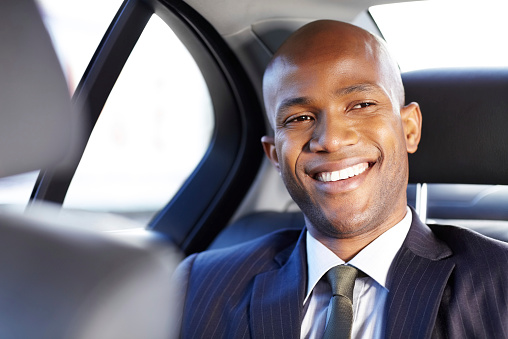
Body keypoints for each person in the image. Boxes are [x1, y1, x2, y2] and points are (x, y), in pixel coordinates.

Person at [173, 20, 508, 338]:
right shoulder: (201, 284)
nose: (330, 139)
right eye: (300, 117)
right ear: (275, 155)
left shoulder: (499, 284)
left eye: (361, 104)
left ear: (409, 129)